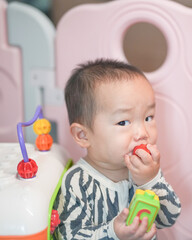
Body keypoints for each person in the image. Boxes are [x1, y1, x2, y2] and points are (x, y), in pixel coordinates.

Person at [53, 59, 181, 240]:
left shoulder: (143, 172)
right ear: (83, 135)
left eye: (148, 117)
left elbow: (169, 218)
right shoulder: (77, 183)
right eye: (123, 122)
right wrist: (112, 233)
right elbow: (68, 236)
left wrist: (150, 181)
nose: (142, 133)